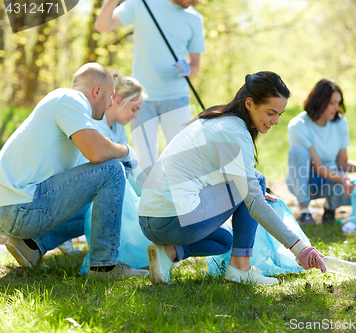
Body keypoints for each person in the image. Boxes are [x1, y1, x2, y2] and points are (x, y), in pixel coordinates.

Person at [138, 71, 327, 285]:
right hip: (171, 220)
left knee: (225, 240)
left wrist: (248, 192)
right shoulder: (235, 132)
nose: (275, 121)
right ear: (249, 103)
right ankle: (240, 269)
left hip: (150, 220)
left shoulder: (216, 120)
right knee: (256, 180)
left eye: (279, 115)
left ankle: (170, 252)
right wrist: (300, 248)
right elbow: (254, 202)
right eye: (270, 113)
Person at [0, 63, 148, 279]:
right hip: (18, 207)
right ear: (97, 91)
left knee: (101, 200)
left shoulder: (68, 109)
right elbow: (97, 153)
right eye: (110, 96)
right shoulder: (70, 99)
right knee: (112, 170)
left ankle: (30, 244)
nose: (109, 103)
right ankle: (103, 267)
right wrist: (127, 151)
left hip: (14, 206)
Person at [95, 0, 205, 170]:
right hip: (141, 101)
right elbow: (102, 26)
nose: (196, 1)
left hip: (177, 97)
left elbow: (196, 64)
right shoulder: (142, 4)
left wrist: (188, 68)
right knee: (146, 166)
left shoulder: (195, 19)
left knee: (183, 161)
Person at [79, 72, 151, 273]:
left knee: (143, 189)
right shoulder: (96, 125)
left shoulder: (119, 129)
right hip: (91, 189)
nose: (135, 115)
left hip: (109, 186)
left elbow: (131, 169)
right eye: (134, 109)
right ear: (118, 100)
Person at [286, 79, 356, 226]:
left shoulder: (340, 123)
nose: (336, 108)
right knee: (297, 151)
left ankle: (330, 207)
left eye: (338, 103)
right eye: (332, 103)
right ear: (319, 101)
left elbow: (342, 162)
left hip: (330, 178)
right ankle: (304, 210)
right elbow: (318, 167)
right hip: (306, 182)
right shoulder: (298, 125)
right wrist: (343, 178)